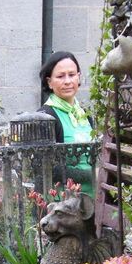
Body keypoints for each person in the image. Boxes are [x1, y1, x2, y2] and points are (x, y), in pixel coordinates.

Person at [38, 51, 95, 193]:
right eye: (60, 76)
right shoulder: (45, 117)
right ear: (49, 82)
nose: (68, 81)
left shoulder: (85, 115)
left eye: (72, 74)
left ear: (79, 77)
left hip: (93, 200)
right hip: (63, 204)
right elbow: (48, 169)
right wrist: (93, 175)